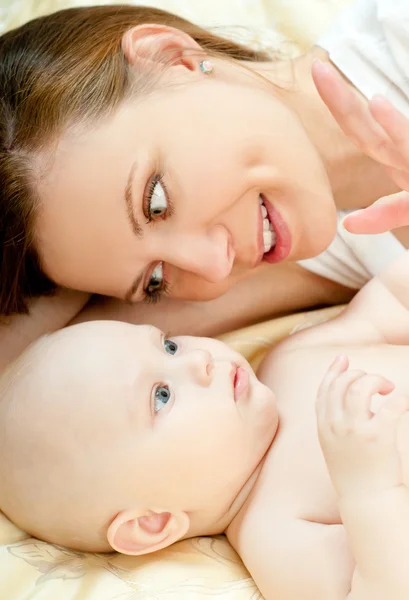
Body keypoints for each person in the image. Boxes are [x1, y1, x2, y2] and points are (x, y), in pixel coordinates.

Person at [2, 0, 409, 372]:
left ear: (170, 57)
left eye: (156, 202)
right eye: (155, 281)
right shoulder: (306, 244)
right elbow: (30, 379)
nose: (215, 267)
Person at [2, 235, 409, 599]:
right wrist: (367, 486)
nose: (199, 360)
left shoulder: (288, 360)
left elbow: (392, 299)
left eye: (169, 347)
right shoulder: (275, 531)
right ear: (152, 522)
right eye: (161, 396)